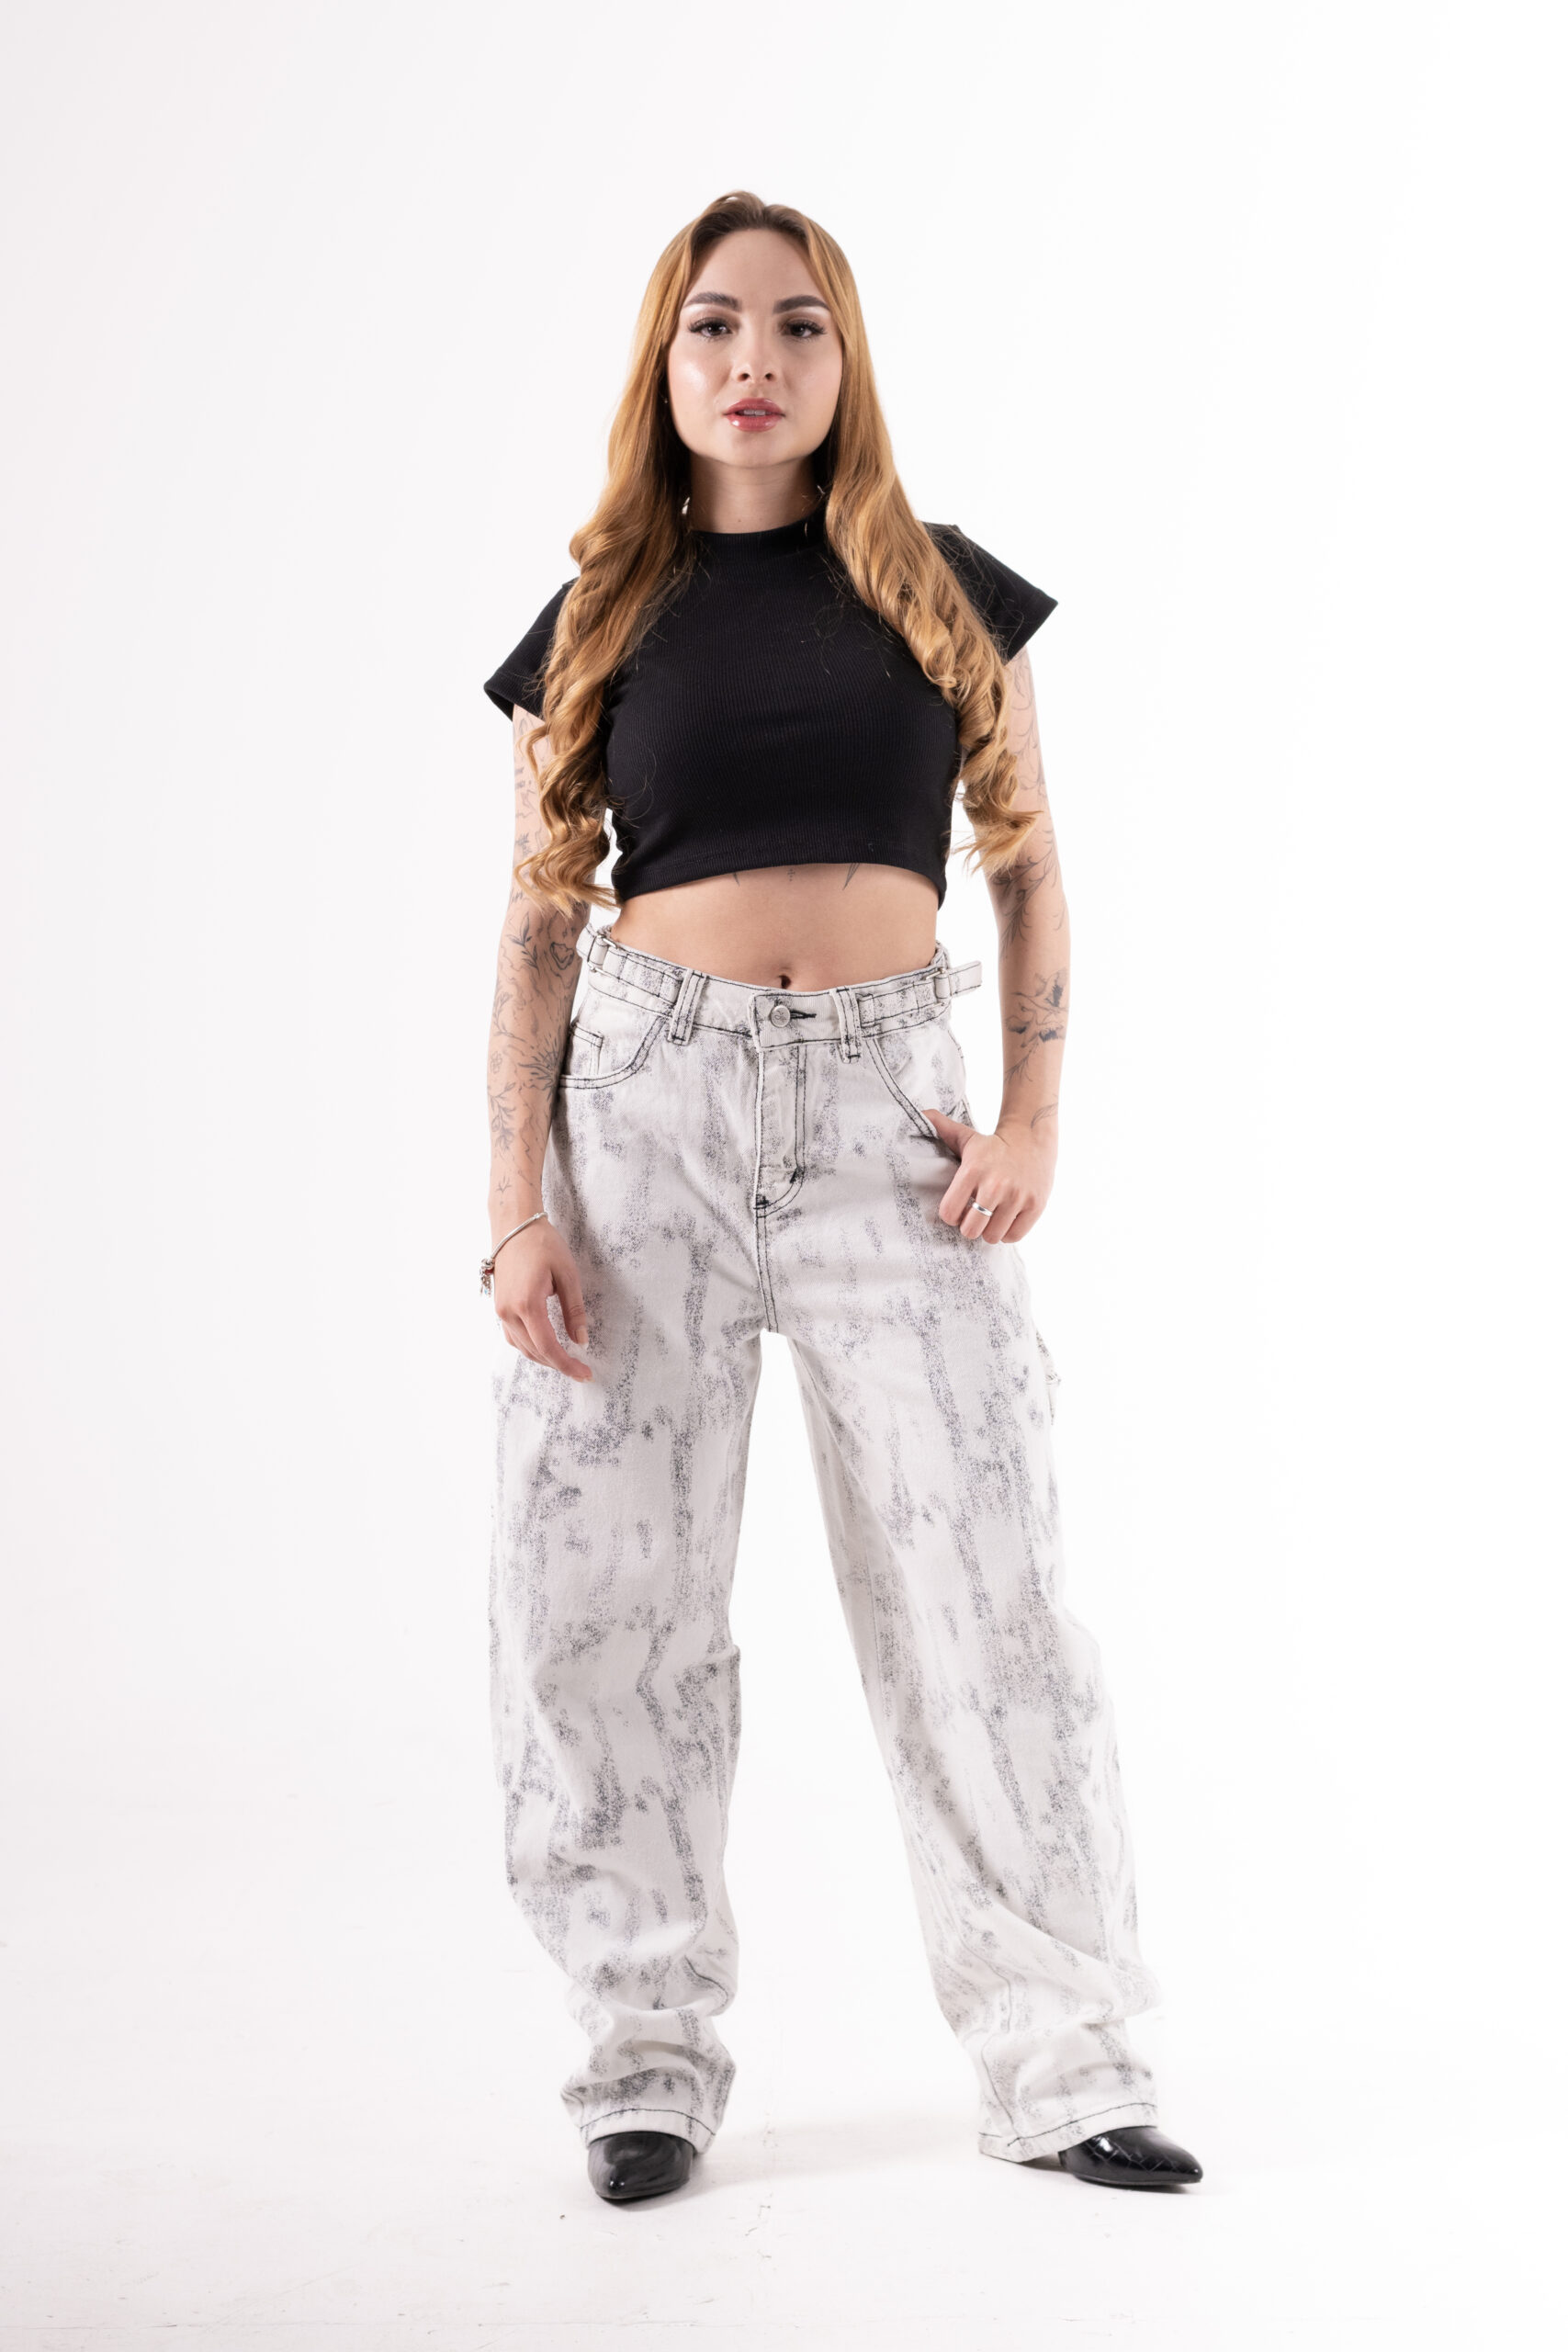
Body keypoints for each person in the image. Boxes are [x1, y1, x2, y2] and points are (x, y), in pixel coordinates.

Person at [479, 191, 1202, 2206]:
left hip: (895, 1119)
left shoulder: (940, 586)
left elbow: (1029, 865)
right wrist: (514, 1203)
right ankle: (640, 2056)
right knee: (605, 1601)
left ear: (843, 358)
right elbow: (534, 928)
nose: (756, 360)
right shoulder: (598, 614)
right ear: (665, 363)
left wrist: (1033, 1117)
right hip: (642, 1119)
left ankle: (1064, 2057)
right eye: (715, 325)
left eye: (798, 325)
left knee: (986, 1597)